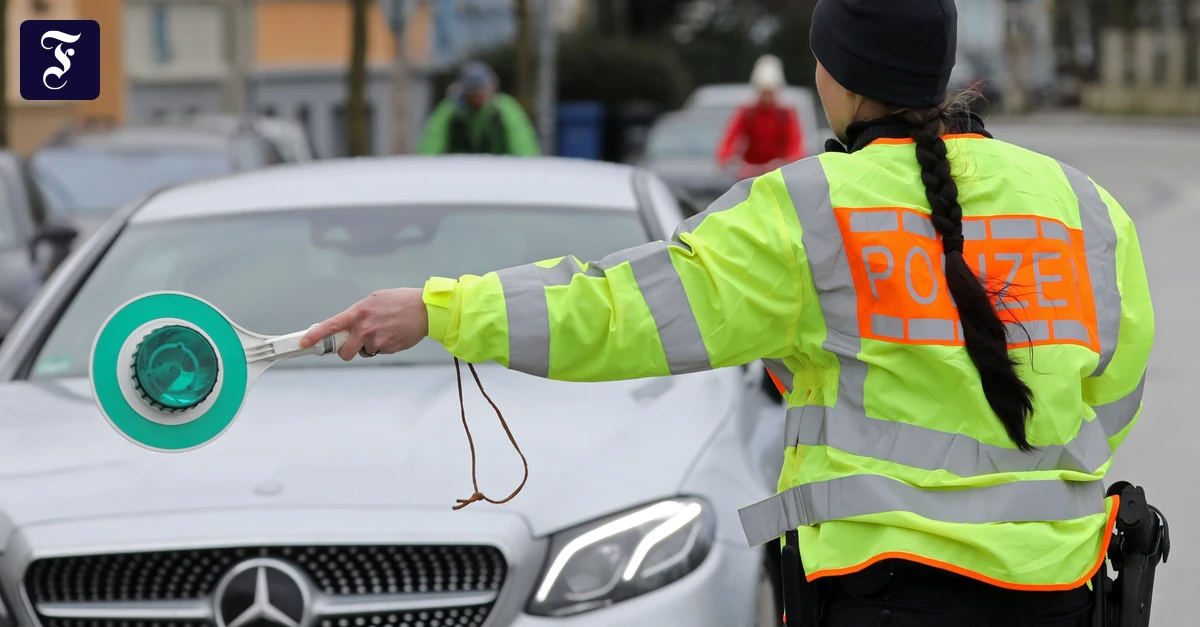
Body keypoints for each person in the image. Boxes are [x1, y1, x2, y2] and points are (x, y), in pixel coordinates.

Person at [302, 1, 1153, 624]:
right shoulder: (1082, 205)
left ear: (836, 76)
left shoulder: (807, 212)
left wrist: (440, 310)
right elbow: (1112, 393)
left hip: (884, 594)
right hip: (1060, 592)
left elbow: (618, 310)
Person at [417, 61, 541, 156]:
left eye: (480, 90)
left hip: (499, 171)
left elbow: (522, 141)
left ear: (491, 88)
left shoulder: (503, 109)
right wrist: (424, 166)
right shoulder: (450, 111)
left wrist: (529, 167)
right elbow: (432, 140)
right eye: (472, 90)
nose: (476, 96)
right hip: (459, 171)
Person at [715, 54, 805, 178]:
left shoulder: (785, 114)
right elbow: (732, 136)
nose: (767, 97)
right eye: (764, 92)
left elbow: (795, 143)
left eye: (770, 92)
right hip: (750, 174)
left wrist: (791, 160)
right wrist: (724, 156)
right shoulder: (748, 113)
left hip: (779, 173)